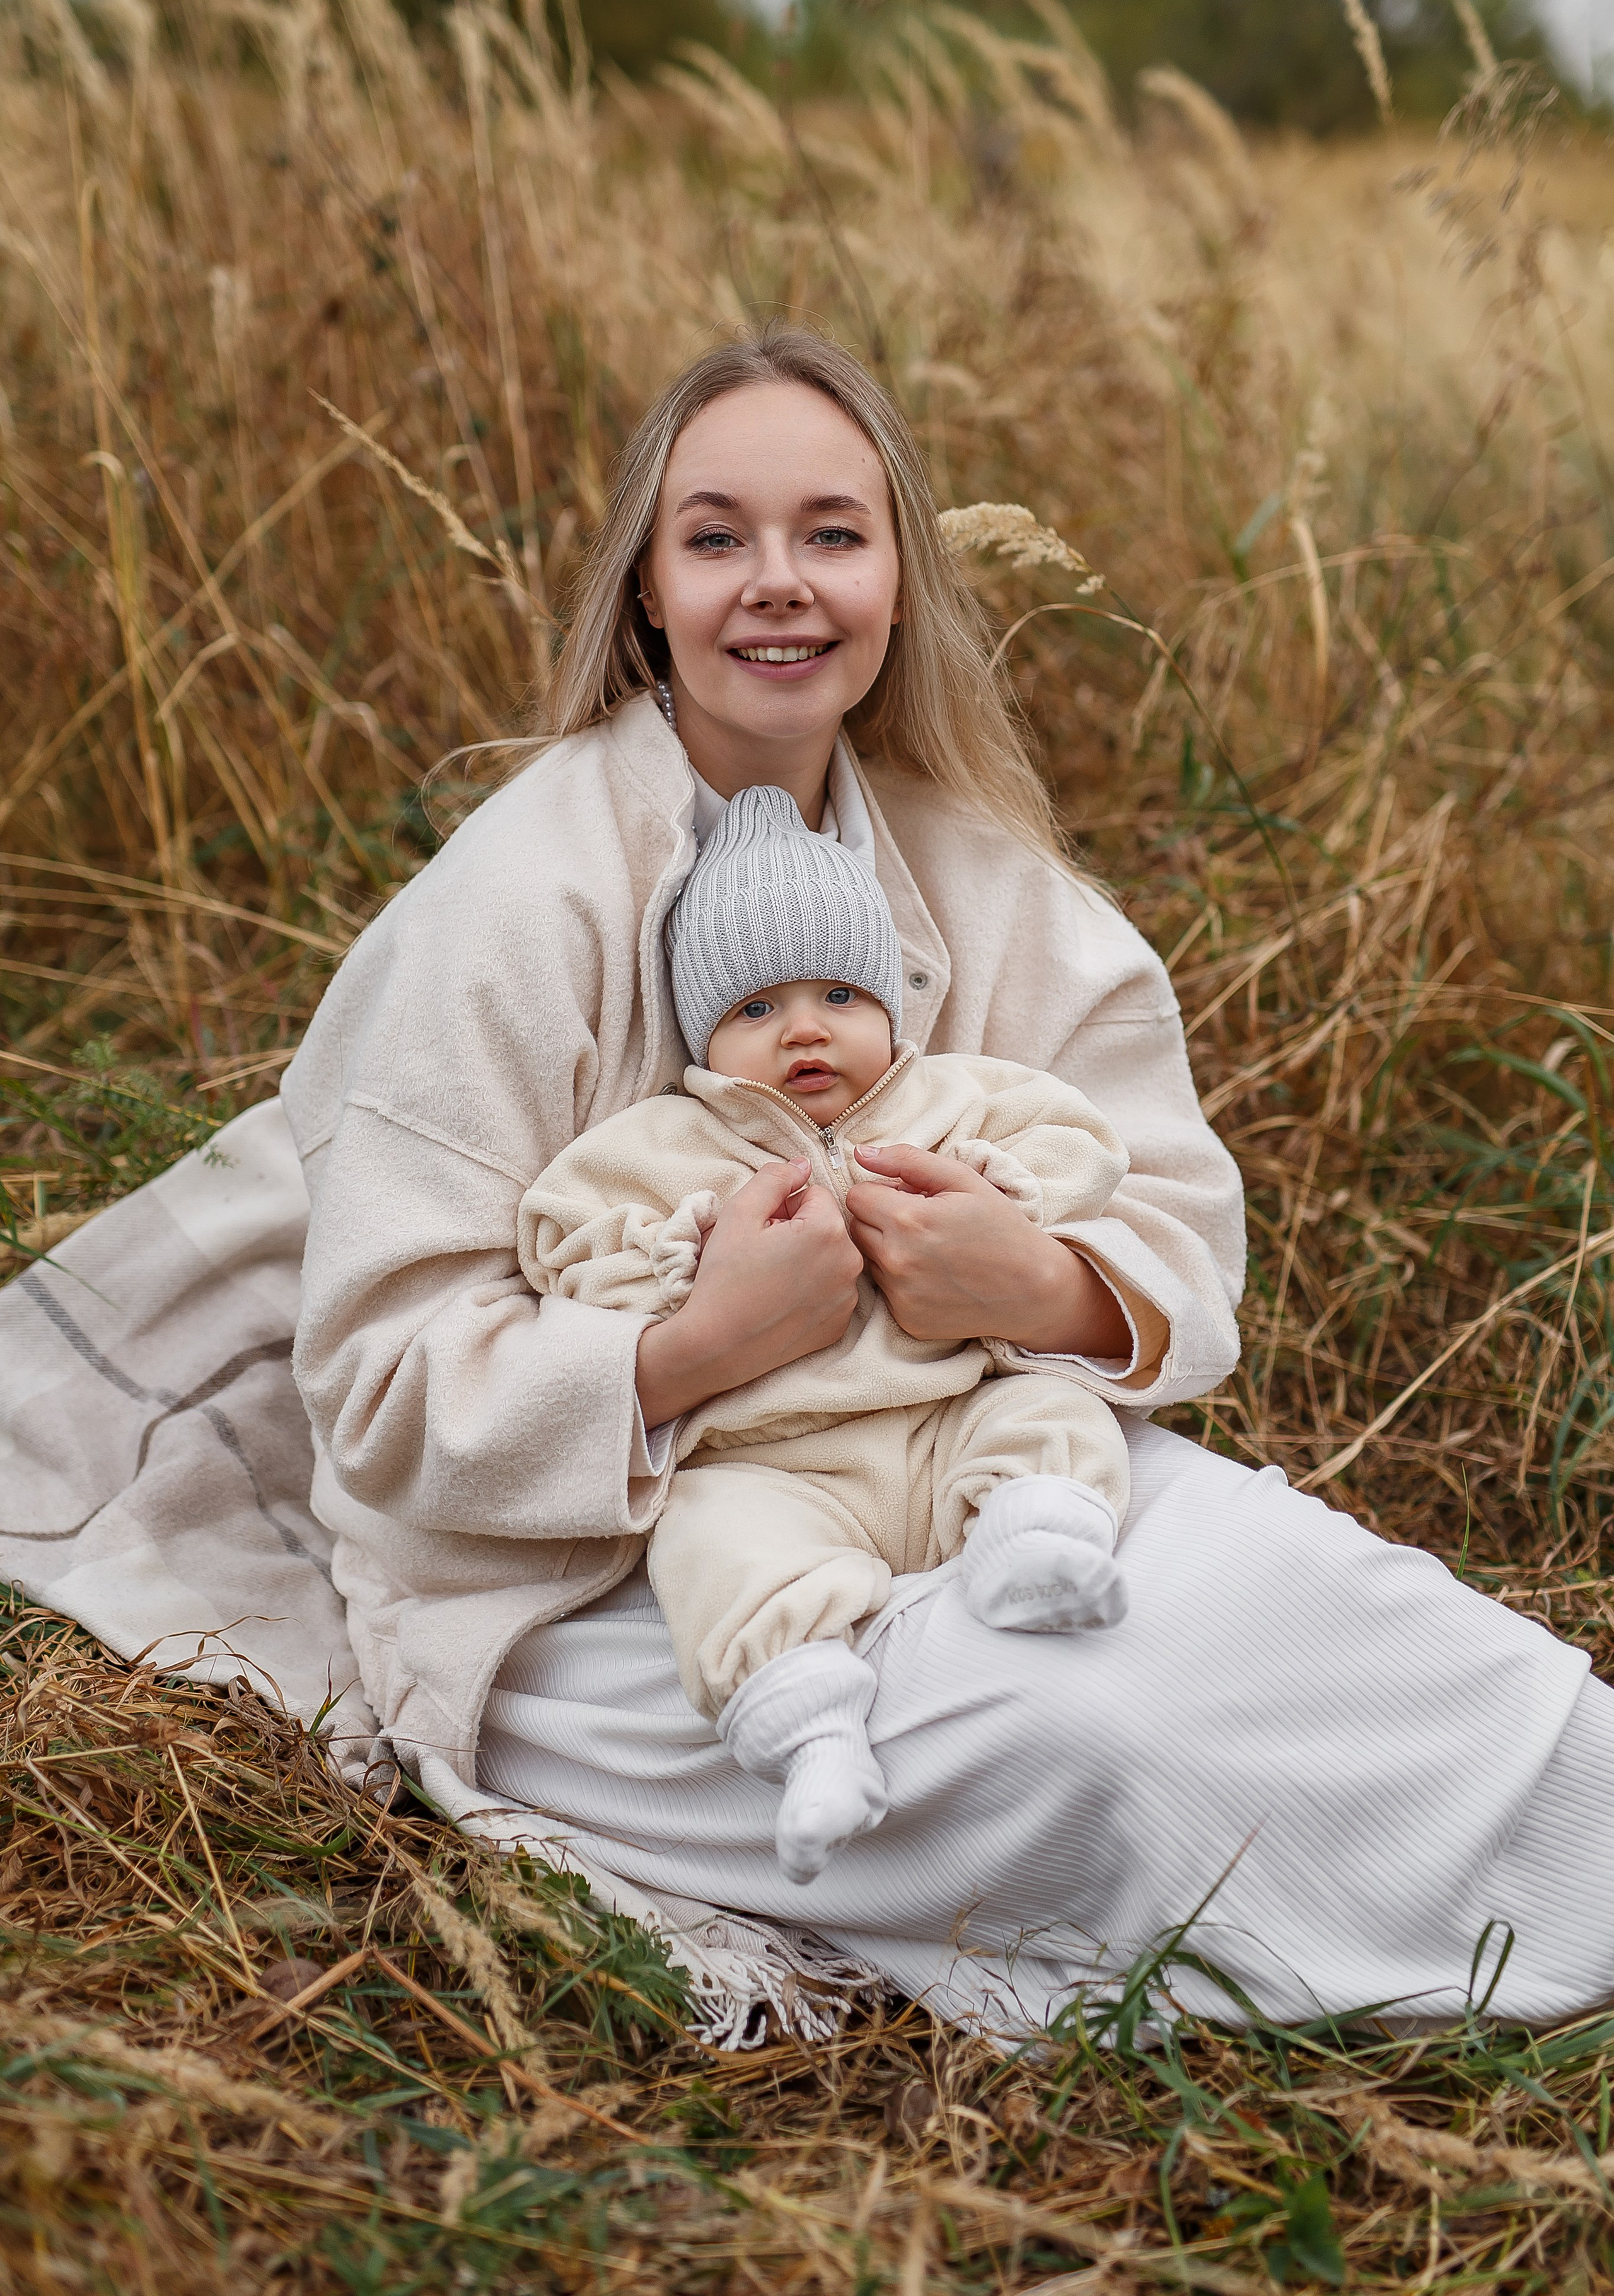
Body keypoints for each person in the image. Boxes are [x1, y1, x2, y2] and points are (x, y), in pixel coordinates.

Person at [283, 324, 1614, 2033]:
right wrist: (696, 1344)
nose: (780, 584)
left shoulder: (978, 871)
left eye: (832, 533)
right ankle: (1394, 1955)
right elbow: (378, 1385)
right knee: (1081, 1728)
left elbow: (1176, 1231)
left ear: (901, 576)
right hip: (623, 1571)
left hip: (959, 1450)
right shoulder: (516, 897)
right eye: (717, 537)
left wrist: (1038, 1286)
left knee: (1321, 1590)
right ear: (645, 593)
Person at [520, 782, 1134, 1883]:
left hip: (946, 1411)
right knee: (709, 1538)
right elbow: (561, 1238)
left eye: (840, 993)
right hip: (776, 1460)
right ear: (703, 1035)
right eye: (756, 1008)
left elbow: (1083, 1139)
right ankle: (810, 1731)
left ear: (891, 1009)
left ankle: (1036, 1539)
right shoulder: (665, 1143)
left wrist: (1007, 1196)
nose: (804, 1027)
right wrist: (679, 1263)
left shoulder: (949, 1099)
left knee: (1048, 1407)